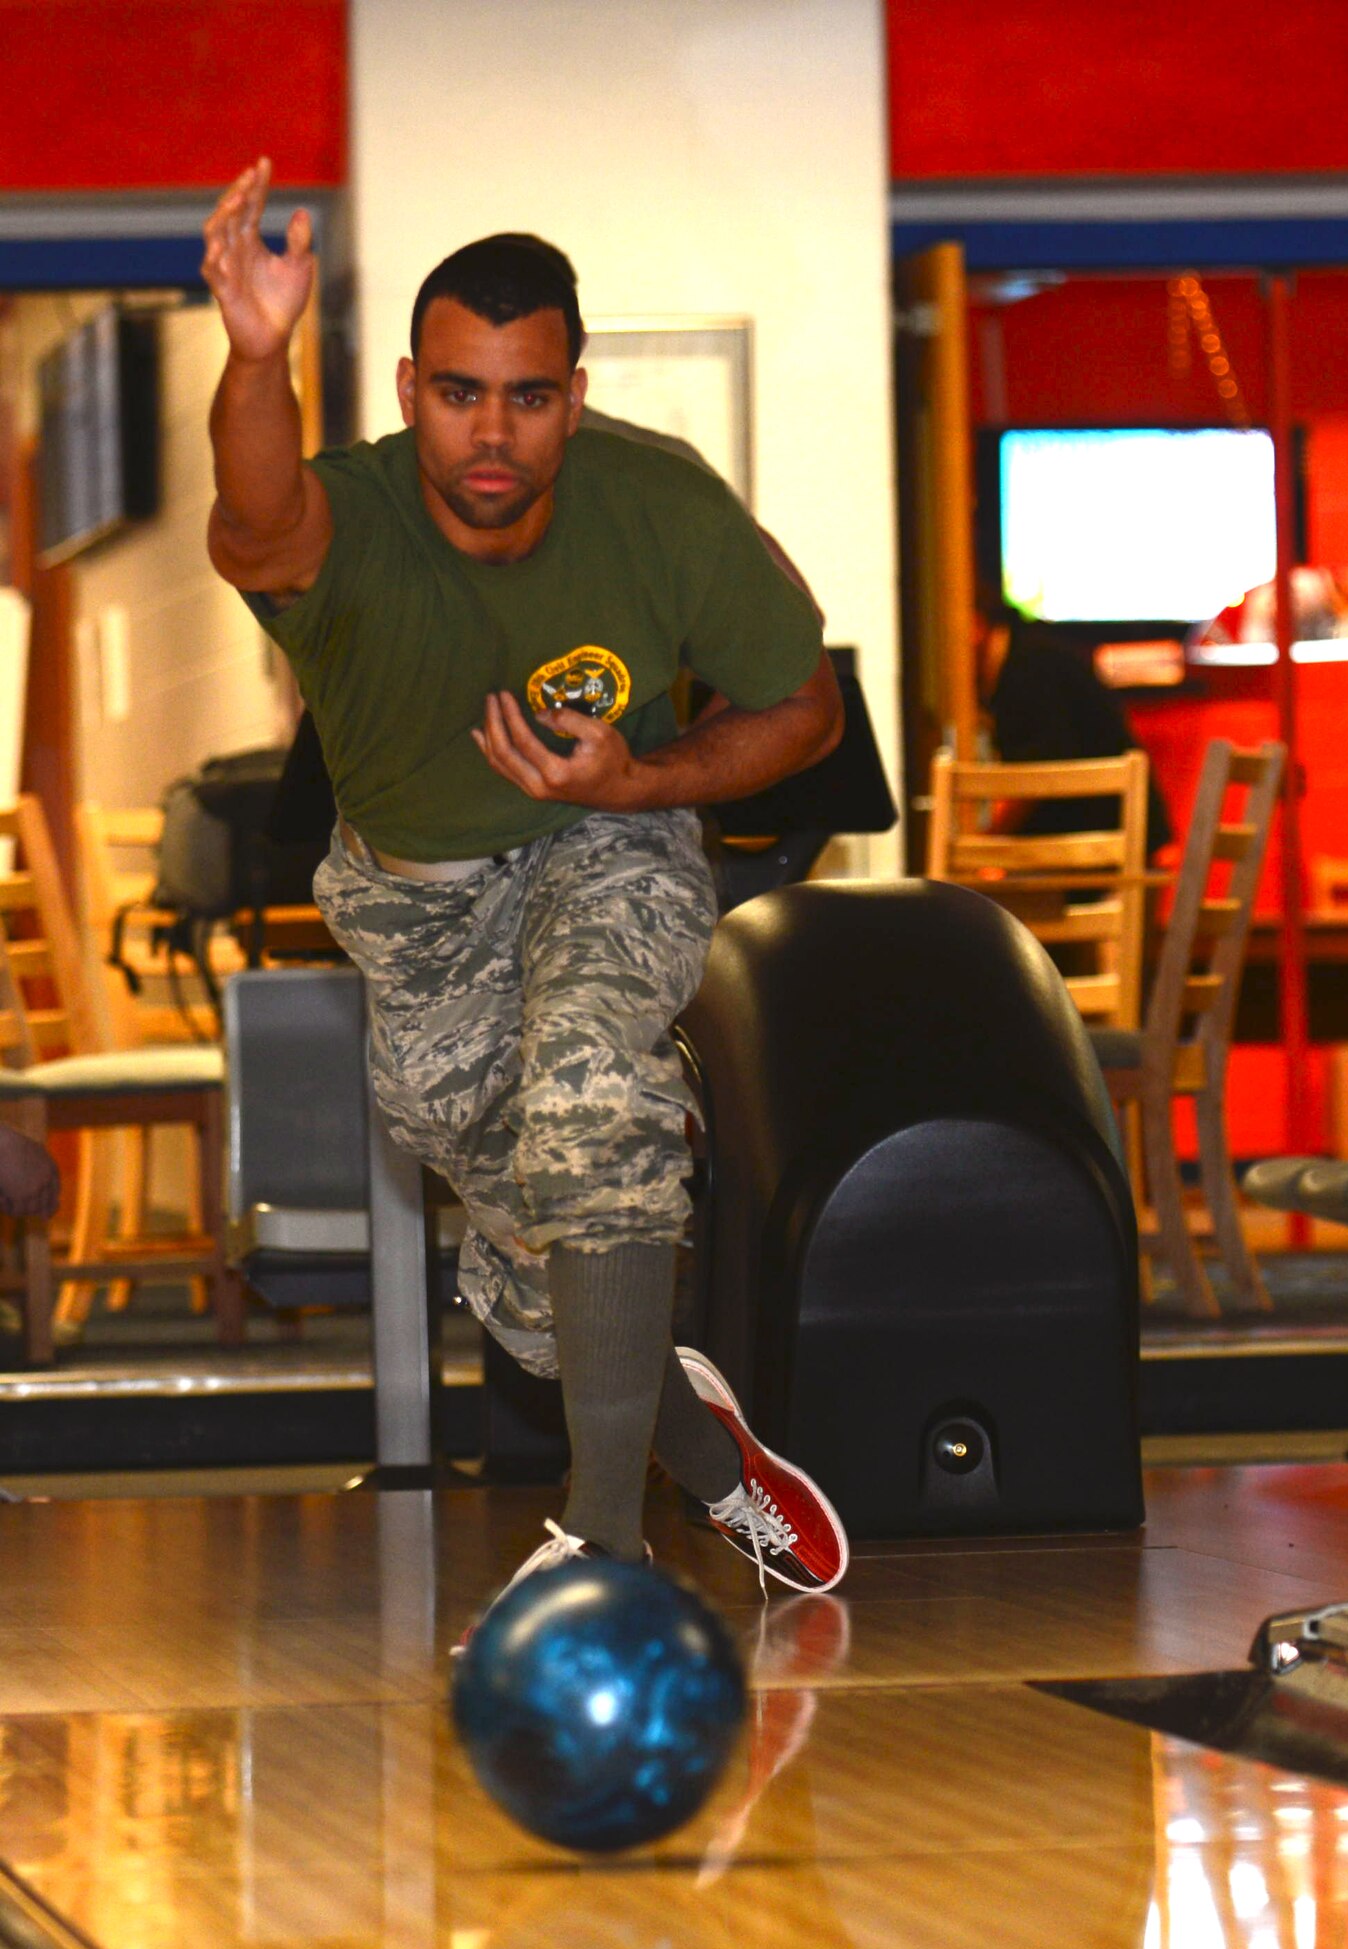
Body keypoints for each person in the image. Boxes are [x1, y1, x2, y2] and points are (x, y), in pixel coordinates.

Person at [201, 159, 849, 1602]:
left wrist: (644, 784)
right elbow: (253, 519)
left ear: (574, 389)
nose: (491, 433)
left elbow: (803, 709)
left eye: (529, 396)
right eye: (457, 393)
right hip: (410, 902)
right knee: (530, 1227)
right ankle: (694, 1444)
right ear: (409, 386)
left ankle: (601, 1545)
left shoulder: (659, 504)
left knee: (586, 1101)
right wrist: (256, 356)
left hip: (598, 840)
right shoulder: (346, 518)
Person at [977, 604, 1173, 853]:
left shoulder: (1027, 665)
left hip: (1102, 849)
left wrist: (984, 844)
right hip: (1118, 841)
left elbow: (1036, 773)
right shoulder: (1028, 648)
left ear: (975, 623)